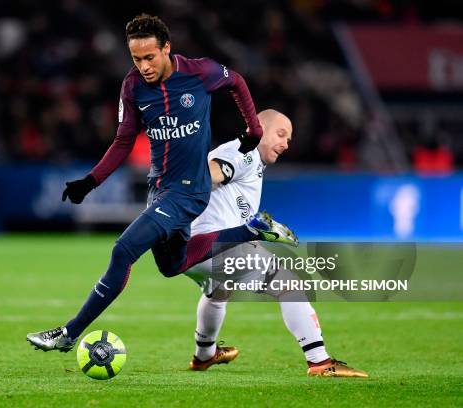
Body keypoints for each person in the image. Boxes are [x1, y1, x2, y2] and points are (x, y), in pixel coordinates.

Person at [26, 14, 297, 352]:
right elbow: (123, 140)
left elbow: (237, 82)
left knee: (123, 250)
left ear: (166, 48)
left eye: (149, 57)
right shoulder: (132, 86)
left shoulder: (199, 72)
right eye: (136, 59)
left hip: (189, 190)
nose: (143, 66)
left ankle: (69, 333)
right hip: (161, 189)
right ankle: (253, 229)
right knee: (173, 265)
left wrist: (254, 130)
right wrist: (91, 181)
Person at [184, 109, 368, 377]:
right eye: (281, 134)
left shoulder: (250, 159)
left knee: (218, 291)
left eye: (289, 139)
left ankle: (204, 355)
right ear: (257, 128)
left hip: (194, 250)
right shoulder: (244, 150)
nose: (285, 143)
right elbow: (210, 172)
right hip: (217, 245)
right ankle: (319, 361)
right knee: (289, 284)